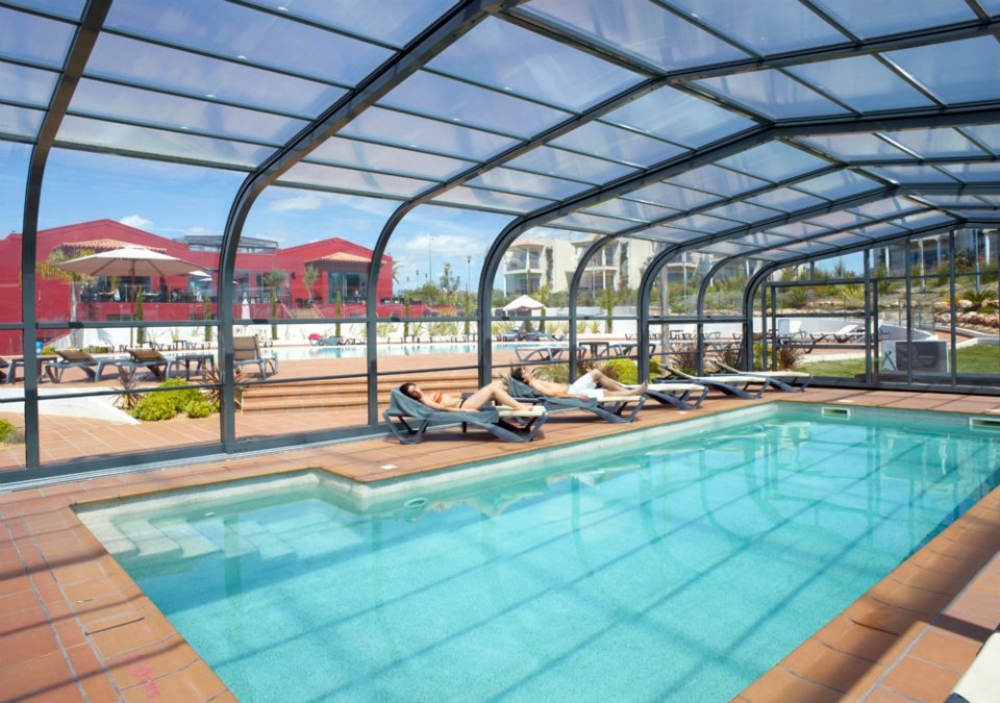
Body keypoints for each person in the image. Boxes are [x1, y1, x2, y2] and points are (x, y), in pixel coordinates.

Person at [511, 366, 647, 400]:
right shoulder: (535, 384)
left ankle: (624, 390)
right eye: (525, 372)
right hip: (574, 392)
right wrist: (575, 396)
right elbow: (554, 394)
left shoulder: (535, 380)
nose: (528, 370)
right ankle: (633, 393)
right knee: (604, 393)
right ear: (524, 379)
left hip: (574, 387)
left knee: (596, 373)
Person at [399, 380, 533, 412]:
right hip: (465, 406)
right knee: (493, 388)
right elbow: (443, 409)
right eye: (413, 392)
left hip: (465, 402)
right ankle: (519, 406)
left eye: (415, 388)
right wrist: (465, 411)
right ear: (412, 396)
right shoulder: (425, 400)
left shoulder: (426, 395)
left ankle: (519, 402)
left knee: (496, 385)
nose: (417, 391)